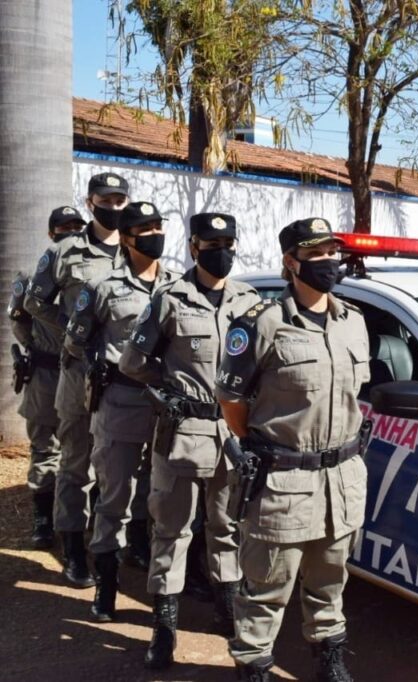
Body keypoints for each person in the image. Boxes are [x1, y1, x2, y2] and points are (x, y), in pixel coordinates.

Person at [215, 217, 370, 682]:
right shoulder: (264, 324)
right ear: (292, 261)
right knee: (267, 589)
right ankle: (254, 665)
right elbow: (231, 401)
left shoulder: (354, 323)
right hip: (284, 483)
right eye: (316, 254)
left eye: (331, 252)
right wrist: (267, 447)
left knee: (330, 583)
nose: (328, 262)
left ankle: (329, 658)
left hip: (341, 479)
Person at [119, 212, 261, 669]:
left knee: (227, 530)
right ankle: (163, 631)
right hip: (183, 434)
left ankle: (228, 613)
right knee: (172, 532)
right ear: (195, 247)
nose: (222, 249)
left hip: (234, 434)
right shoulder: (169, 299)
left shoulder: (251, 301)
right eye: (212, 242)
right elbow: (132, 360)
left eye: (229, 241)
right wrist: (172, 391)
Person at [64, 200, 177, 622]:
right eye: (144, 229)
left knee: (163, 494)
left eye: (157, 226)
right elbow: (76, 340)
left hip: (166, 405)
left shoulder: (177, 285)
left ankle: (154, 573)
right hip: (121, 402)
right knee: (115, 497)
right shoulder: (103, 287)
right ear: (127, 238)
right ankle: (106, 586)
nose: (154, 234)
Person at [25, 172, 129, 587]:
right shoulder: (66, 251)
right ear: (91, 203)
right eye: (107, 199)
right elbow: (35, 300)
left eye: (120, 199)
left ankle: (117, 546)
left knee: (123, 467)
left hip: (124, 380)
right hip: (80, 375)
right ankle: (73, 552)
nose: (114, 206)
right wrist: (73, 329)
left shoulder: (138, 249)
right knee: (75, 465)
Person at [7, 206, 86, 548]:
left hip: (79, 372)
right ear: (51, 233)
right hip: (44, 373)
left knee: (82, 448)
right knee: (45, 447)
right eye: (63, 227)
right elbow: (18, 318)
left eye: (76, 227)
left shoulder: (88, 276)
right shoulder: (30, 274)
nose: (70, 231)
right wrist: (36, 347)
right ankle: (42, 517)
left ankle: (78, 517)